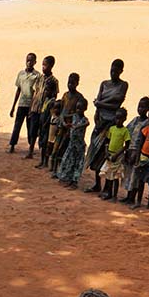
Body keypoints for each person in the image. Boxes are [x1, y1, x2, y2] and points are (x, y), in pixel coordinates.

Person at [84, 59, 129, 194]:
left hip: (111, 124)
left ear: (121, 71)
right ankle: (97, 184)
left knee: (108, 154)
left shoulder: (123, 85)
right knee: (96, 153)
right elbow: (99, 102)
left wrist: (100, 104)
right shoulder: (104, 84)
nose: (113, 73)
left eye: (116, 71)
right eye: (111, 70)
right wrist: (97, 117)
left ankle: (107, 187)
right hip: (100, 122)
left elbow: (117, 104)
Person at [7, 53, 39, 153]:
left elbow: (36, 92)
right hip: (21, 104)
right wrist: (13, 106)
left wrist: (32, 107)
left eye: (31, 61)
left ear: (35, 62)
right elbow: (18, 90)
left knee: (30, 127)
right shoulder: (21, 74)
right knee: (17, 126)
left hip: (31, 105)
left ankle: (31, 147)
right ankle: (12, 145)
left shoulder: (37, 75)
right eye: (28, 60)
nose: (29, 63)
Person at [54, 98, 90, 189]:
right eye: (77, 108)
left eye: (80, 108)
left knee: (78, 164)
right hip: (71, 144)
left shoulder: (85, 120)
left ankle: (74, 182)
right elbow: (63, 117)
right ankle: (68, 179)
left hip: (79, 146)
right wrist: (65, 124)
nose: (78, 110)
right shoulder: (74, 116)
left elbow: (86, 124)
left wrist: (76, 126)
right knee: (68, 161)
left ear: (85, 109)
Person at [96, 107, 130, 199]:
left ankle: (113, 195)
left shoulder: (125, 131)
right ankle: (107, 192)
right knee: (108, 174)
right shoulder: (112, 129)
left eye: (120, 118)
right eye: (116, 118)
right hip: (110, 154)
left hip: (117, 156)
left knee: (115, 176)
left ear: (124, 119)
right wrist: (106, 152)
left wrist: (117, 154)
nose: (118, 120)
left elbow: (126, 145)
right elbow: (107, 141)